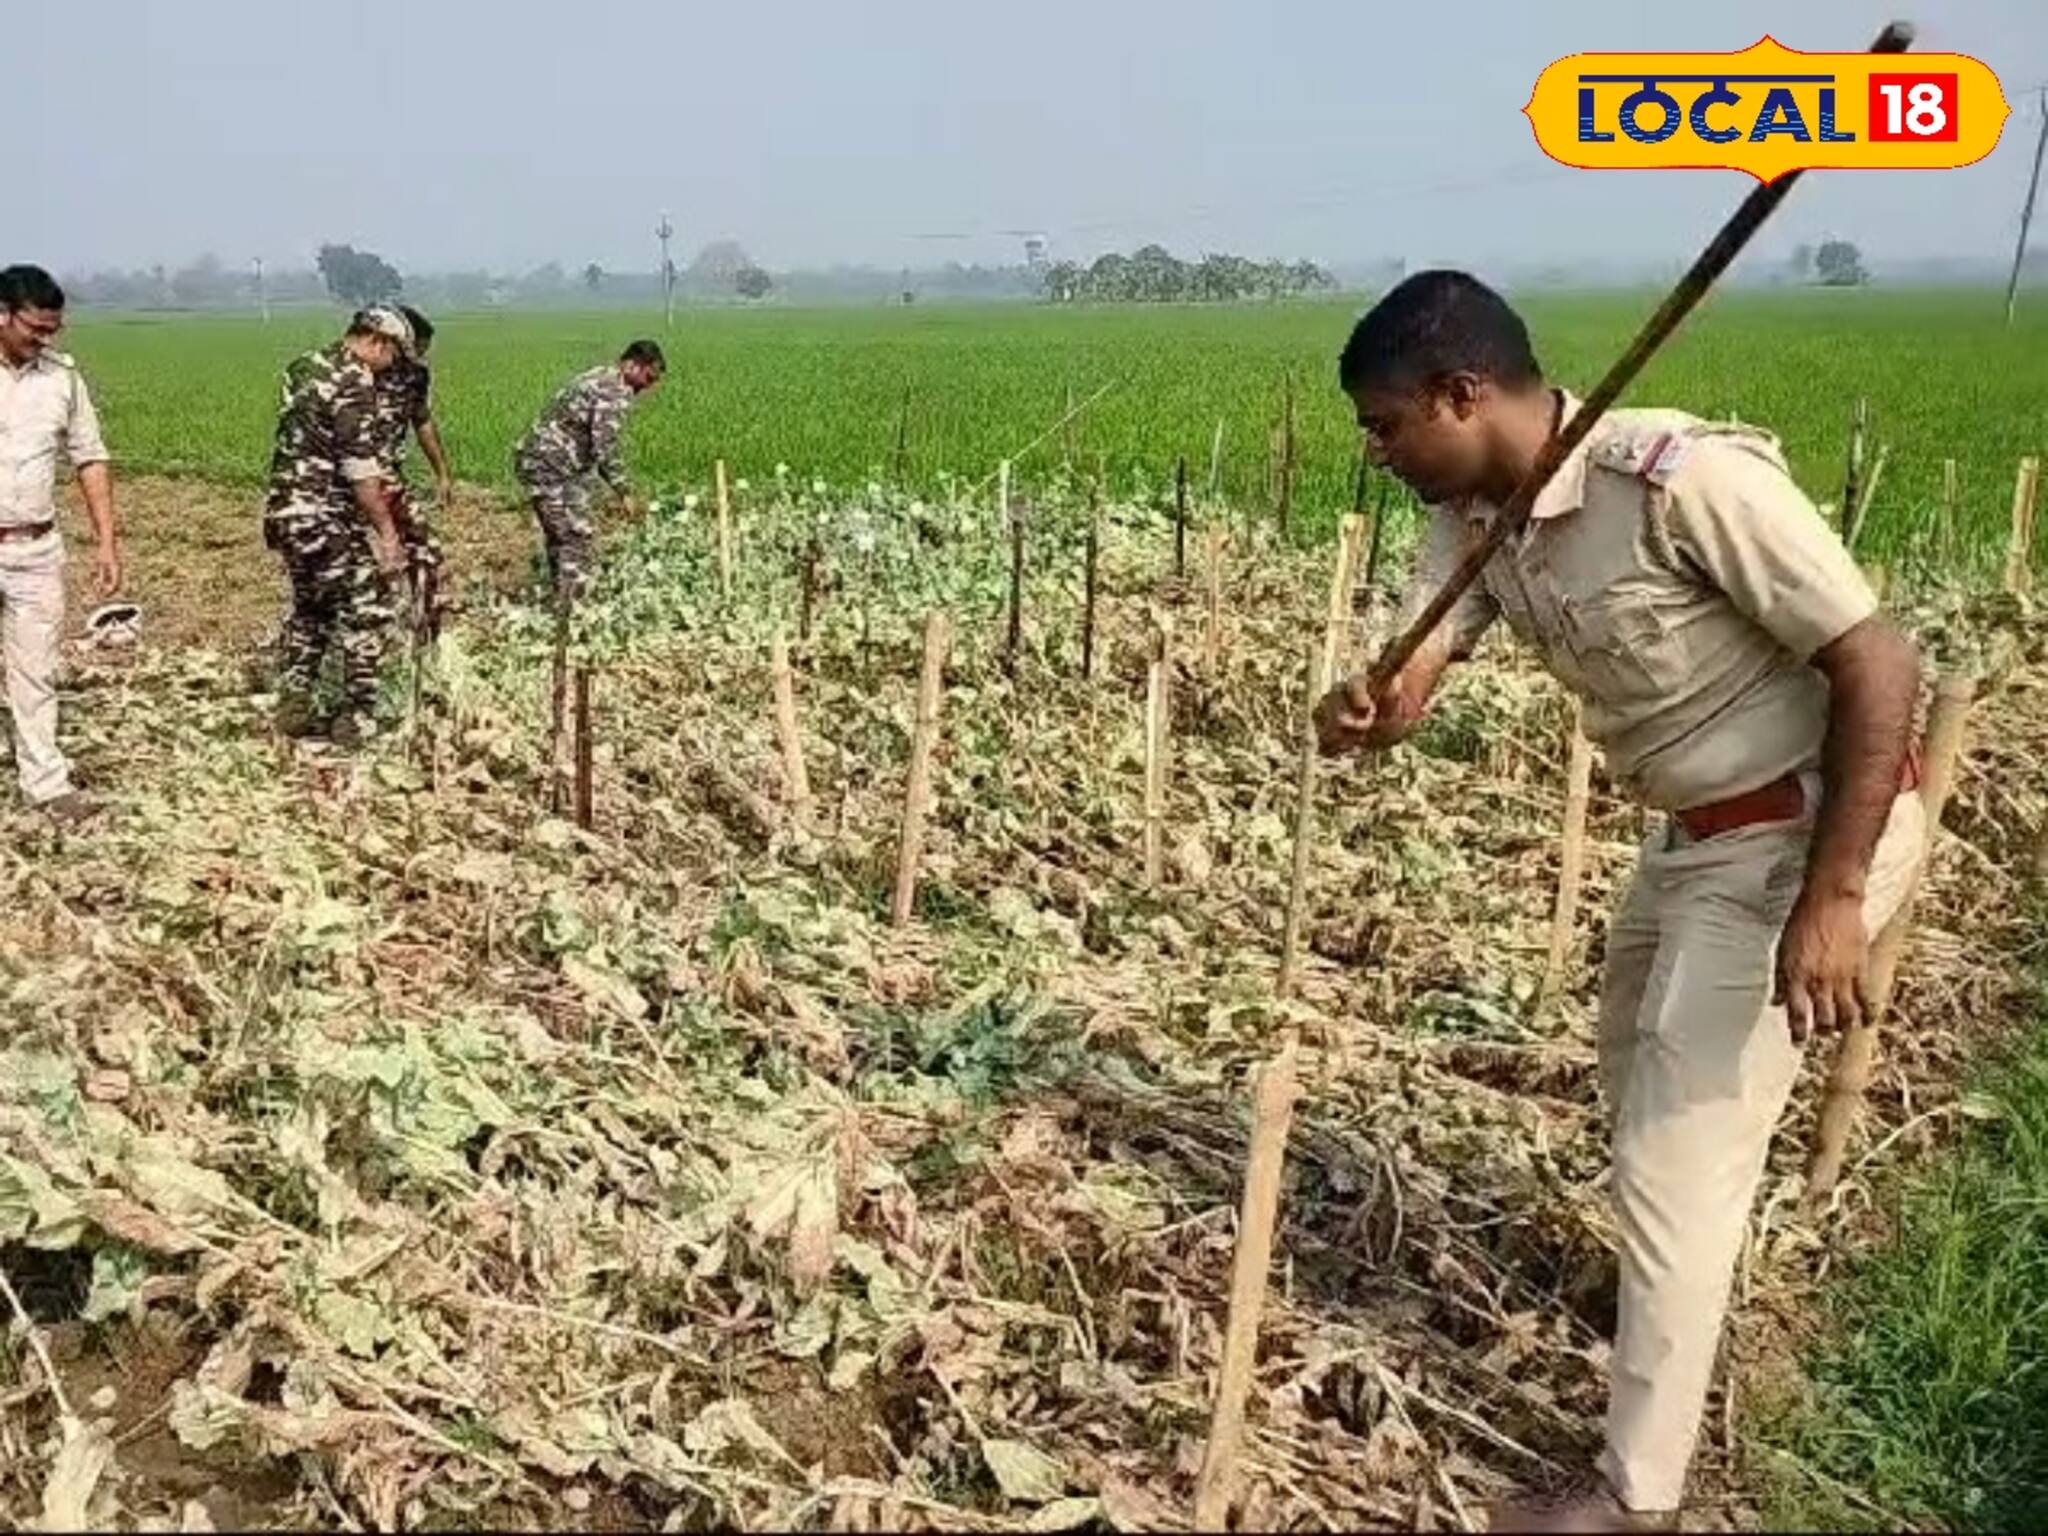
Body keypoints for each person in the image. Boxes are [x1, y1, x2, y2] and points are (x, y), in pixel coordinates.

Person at [1315, 272, 1926, 1532]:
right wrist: (1368, 708)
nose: (1375, 453)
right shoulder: (1474, 519)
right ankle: (1678, 1316)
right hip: (1692, 835)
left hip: (1803, 830)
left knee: (1674, 1153)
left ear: (1459, 393)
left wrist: (1834, 895)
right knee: (1626, 1078)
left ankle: (1631, 1497)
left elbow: (1877, 662)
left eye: (1385, 425)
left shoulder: (1679, 482)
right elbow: (1414, 675)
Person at [0, 264, 122, 824]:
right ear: (3, 315)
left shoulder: (63, 379)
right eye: (35, 328)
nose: (45, 339)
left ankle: (46, 786)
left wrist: (106, 543)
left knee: (36, 669)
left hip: (34, 548)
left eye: (54, 329)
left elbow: (90, 458)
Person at [263, 305, 414, 748]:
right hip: (322, 516)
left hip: (285, 513)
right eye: (394, 356)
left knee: (312, 609)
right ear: (377, 342)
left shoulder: (303, 366)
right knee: (367, 608)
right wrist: (388, 535)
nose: (392, 367)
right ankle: (357, 718)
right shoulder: (354, 380)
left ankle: (293, 705)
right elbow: (360, 471)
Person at [513, 340, 665, 596]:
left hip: (542, 462)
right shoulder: (614, 391)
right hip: (551, 466)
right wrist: (624, 491)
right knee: (577, 537)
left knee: (561, 534)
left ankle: (561, 596)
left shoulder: (599, 375)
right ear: (632, 365)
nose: (647, 387)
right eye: (648, 378)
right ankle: (571, 607)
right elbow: (605, 447)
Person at [370, 303, 454, 638]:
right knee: (354, 561)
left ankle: (424, 633)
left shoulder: (414, 375)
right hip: (348, 479)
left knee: (424, 550)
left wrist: (442, 474)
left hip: (388, 477)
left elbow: (422, 422)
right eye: (414, 348)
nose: (417, 356)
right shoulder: (357, 371)